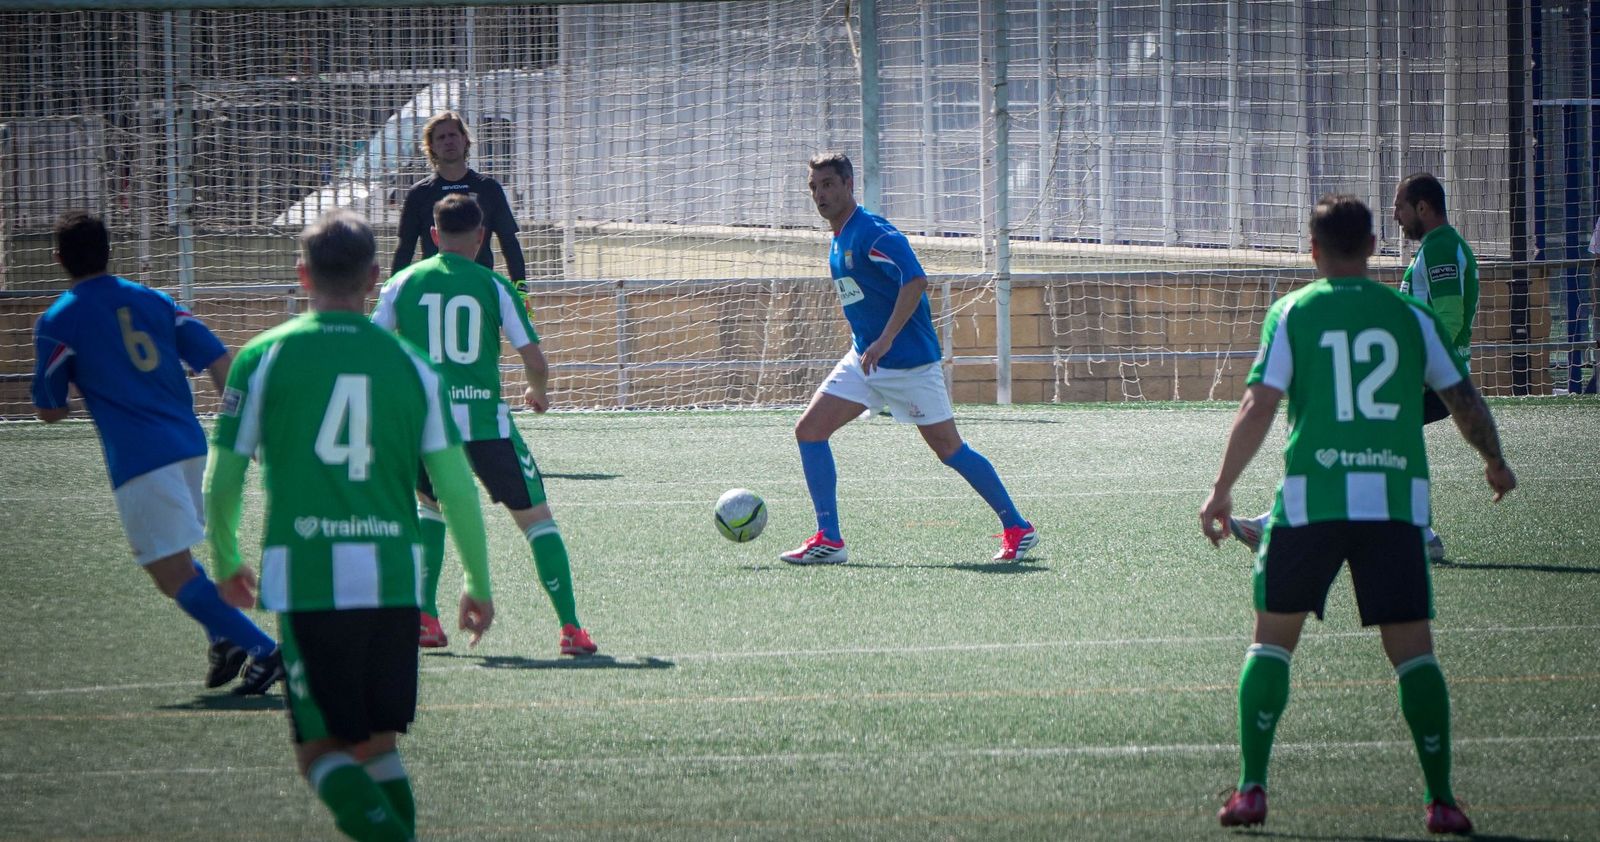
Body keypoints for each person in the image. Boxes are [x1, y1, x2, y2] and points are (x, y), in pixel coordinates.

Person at [1199, 195, 1516, 835]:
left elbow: (1259, 406)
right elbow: (1462, 397)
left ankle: (1252, 790)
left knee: (1270, 643)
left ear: (1313, 251)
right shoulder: (1410, 315)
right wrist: (1494, 461)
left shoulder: (1294, 312)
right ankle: (1442, 800)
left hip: (1311, 504)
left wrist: (1222, 489)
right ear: (1373, 247)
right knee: (1415, 655)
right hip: (1392, 508)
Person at [205, 209, 495, 842]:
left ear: (303, 275)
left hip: (309, 580)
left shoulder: (262, 357)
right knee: (377, 747)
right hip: (394, 579)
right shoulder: (412, 364)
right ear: (372, 278)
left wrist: (225, 558)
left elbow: (222, 481)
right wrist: (476, 579)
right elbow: (454, 487)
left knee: (321, 753)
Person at [29, 210, 281, 696]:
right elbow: (218, 358)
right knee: (177, 560)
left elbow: (50, 410)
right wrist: (242, 427)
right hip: (191, 446)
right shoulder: (156, 300)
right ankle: (224, 637)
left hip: (141, 459)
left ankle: (265, 650)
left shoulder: (58, 320)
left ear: (58, 258)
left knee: (169, 573)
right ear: (110, 251)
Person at [780, 152, 1036, 565]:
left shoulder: (872, 233)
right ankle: (829, 538)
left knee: (950, 450)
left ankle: (1017, 527)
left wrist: (885, 339)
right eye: (813, 187)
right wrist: (870, 342)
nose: (820, 194)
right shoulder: (840, 236)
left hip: (909, 365)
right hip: (865, 360)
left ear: (849, 184)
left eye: (827, 184)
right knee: (809, 431)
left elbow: (915, 279)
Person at [373, 193, 596, 656]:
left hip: (425, 429)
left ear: (433, 236)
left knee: (430, 510)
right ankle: (571, 628)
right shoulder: (495, 286)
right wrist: (537, 391)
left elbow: (369, 350)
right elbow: (536, 361)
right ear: (481, 237)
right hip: (486, 427)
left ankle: (426, 620)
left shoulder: (401, 283)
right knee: (537, 521)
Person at [1231, 173, 1477, 562]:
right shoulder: (1437, 247)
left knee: (1342, 431)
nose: (1395, 215)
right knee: (1368, 443)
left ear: (1423, 207)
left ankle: (1281, 523)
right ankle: (1413, 534)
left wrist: (1415, 371)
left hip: (1426, 380)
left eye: (1399, 206)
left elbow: (1448, 318)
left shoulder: (1441, 248)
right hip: (1427, 377)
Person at [391, 111, 526, 290]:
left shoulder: (488, 188)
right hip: (435, 290)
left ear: (465, 140)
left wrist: (521, 288)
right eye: (441, 137)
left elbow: (509, 242)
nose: (448, 141)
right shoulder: (419, 193)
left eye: (453, 135)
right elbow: (405, 248)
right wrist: (393, 291)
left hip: (479, 288)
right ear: (431, 146)